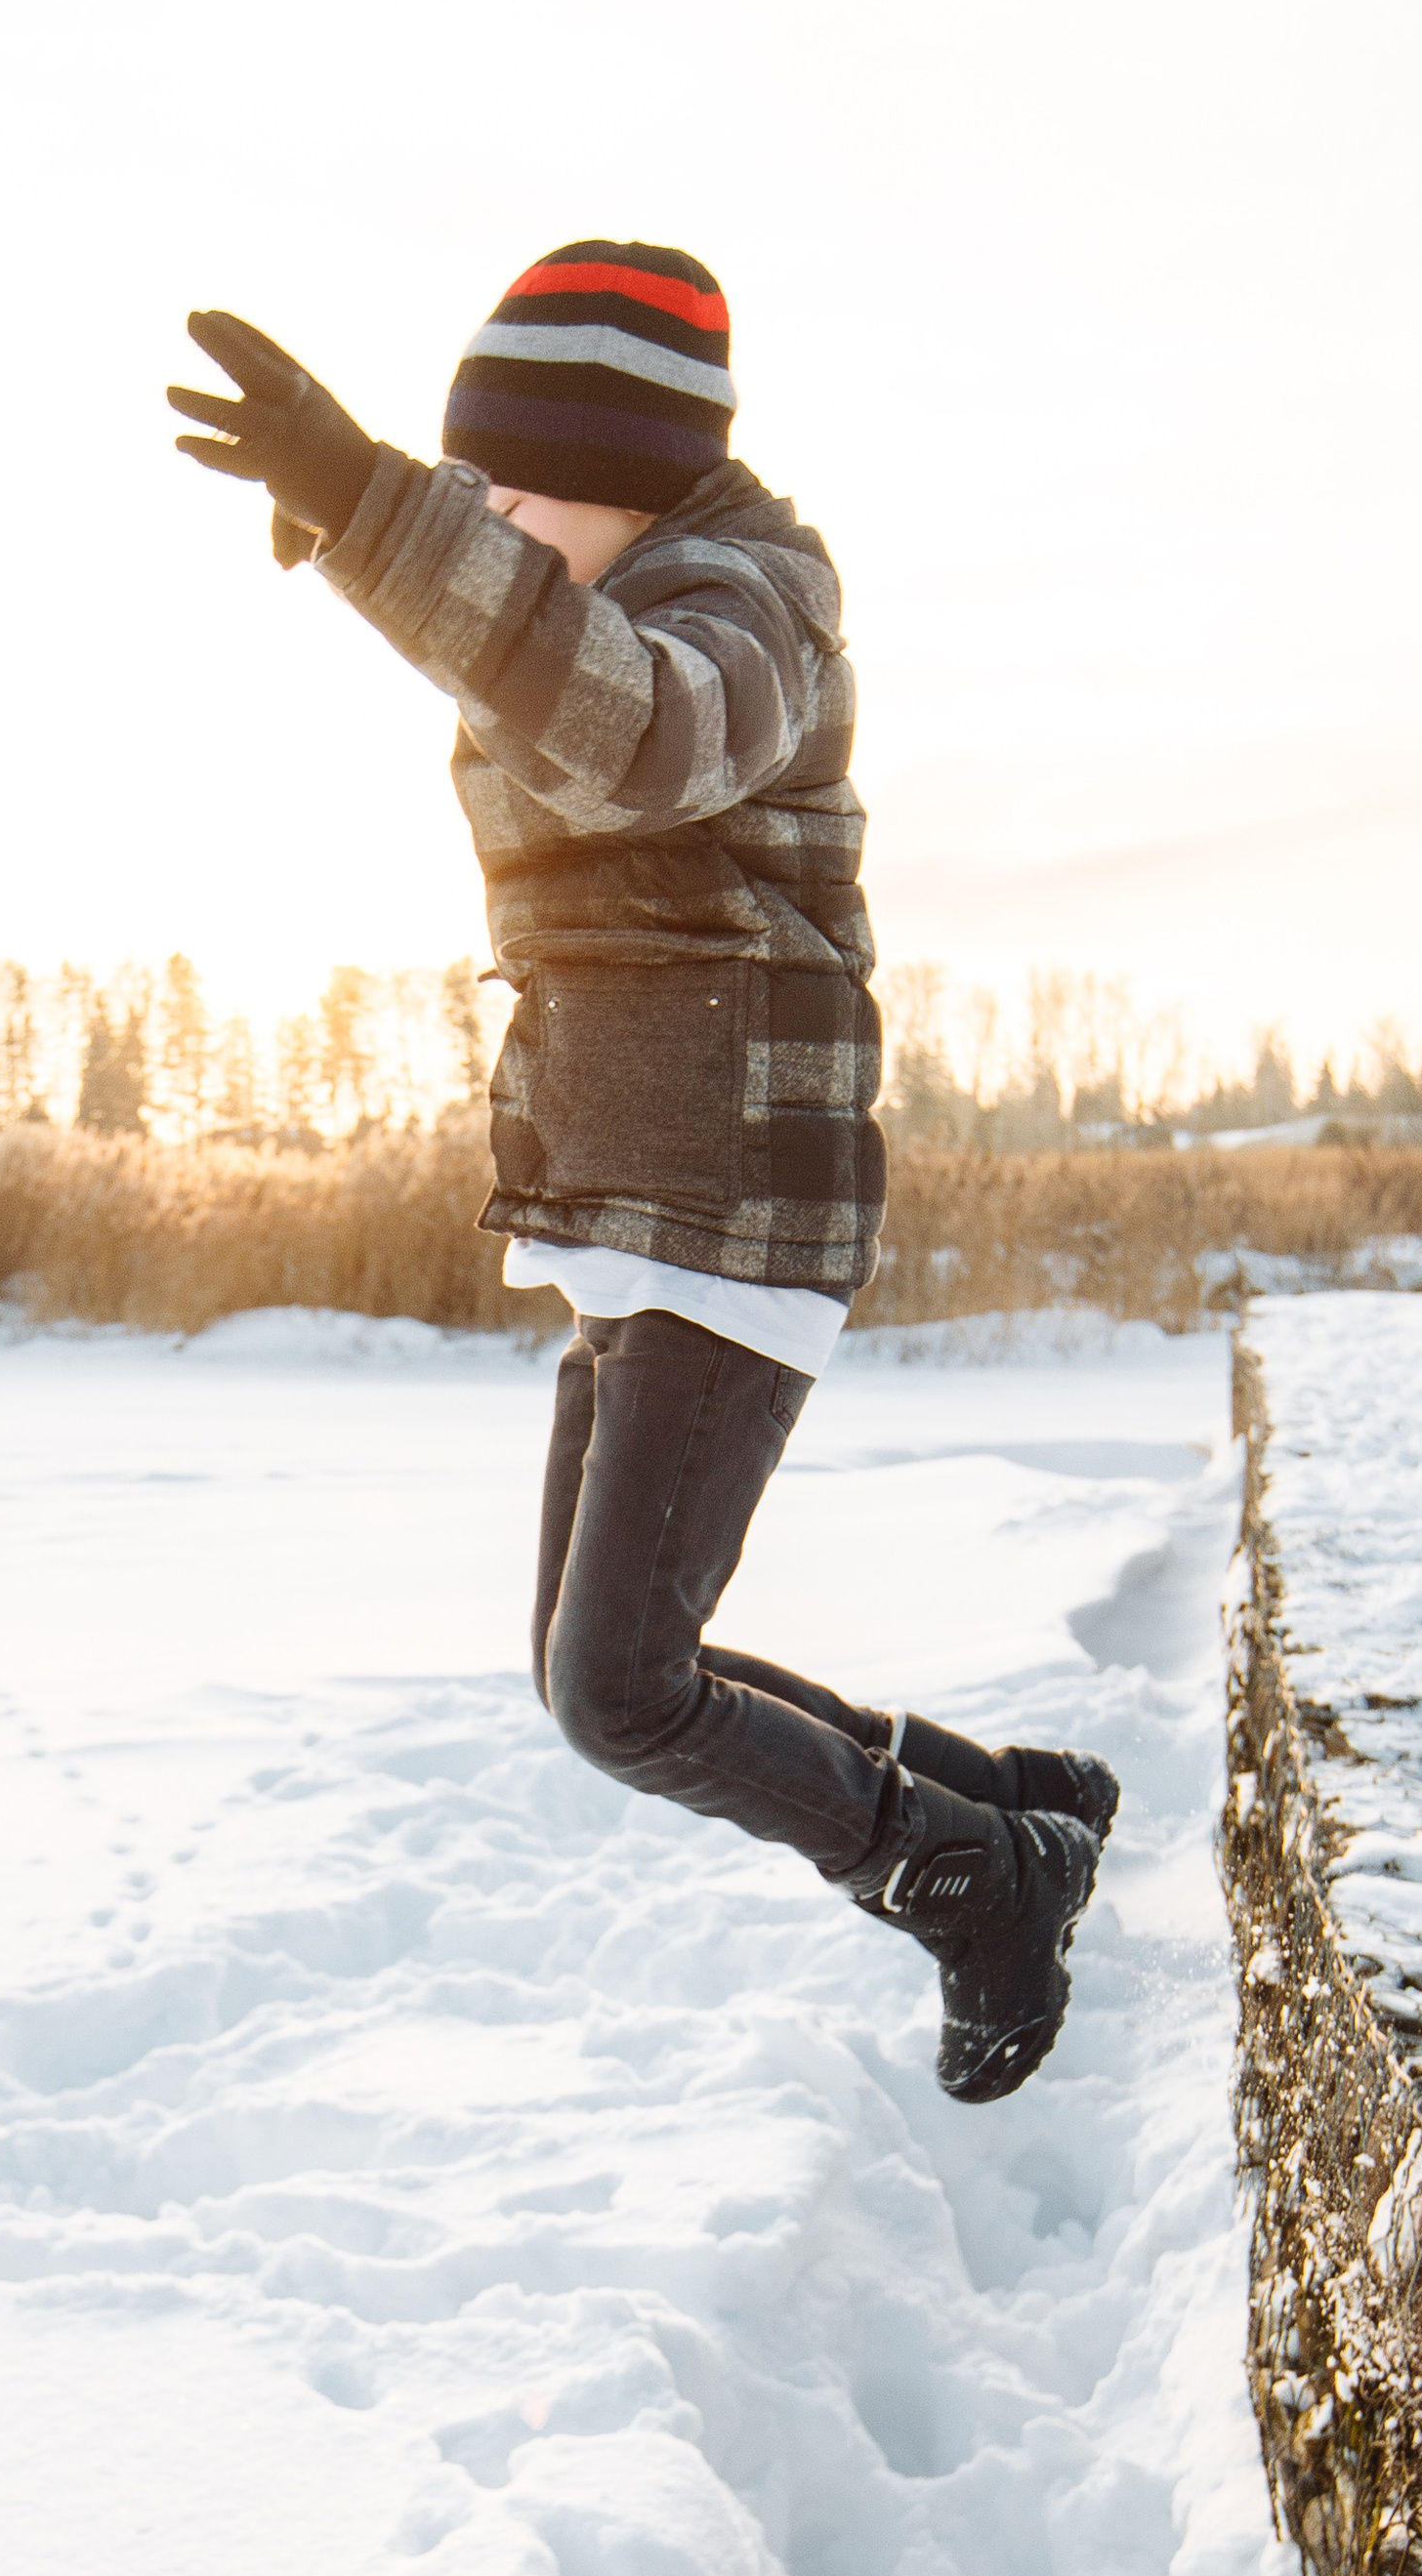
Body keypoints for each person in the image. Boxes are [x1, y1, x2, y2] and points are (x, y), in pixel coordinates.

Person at [167, 241, 1114, 2101]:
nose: (489, 519)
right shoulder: (618, 558)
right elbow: (521, 619)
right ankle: (1015, 1807)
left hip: (735, 1200)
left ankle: (976, 1883)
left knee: (622, 1693)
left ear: (628, 466)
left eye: (513, 489)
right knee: (590, 1666)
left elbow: (633, 724)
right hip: (632, 1199)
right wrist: (377, 532)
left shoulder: (748, 611)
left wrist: (376, 514)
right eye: (475, 492)